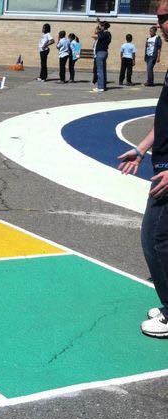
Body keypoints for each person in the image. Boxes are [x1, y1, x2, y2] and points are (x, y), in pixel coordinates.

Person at [117, 0, 168, 338]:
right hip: (160, 165)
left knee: (159, 242)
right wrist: (142, 147)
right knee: (154, 241)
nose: (164, 23)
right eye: (161, 17)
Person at [92, 20, 111, 92]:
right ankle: (103, 86)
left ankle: (100, 87)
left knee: (99, 71)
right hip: (104, 52)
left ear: (103, 27)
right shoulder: (108, 33)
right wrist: (99, 25)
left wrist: (97, 28)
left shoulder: (104, 33)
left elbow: (93, 35)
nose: (99, 27)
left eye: (101, 26)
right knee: (103, 70)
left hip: (100, 52)